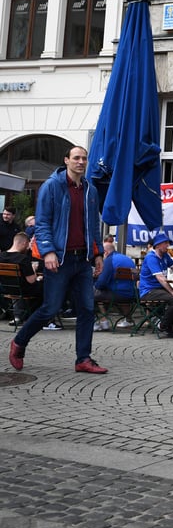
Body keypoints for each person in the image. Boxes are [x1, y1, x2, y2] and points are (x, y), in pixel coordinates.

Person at [9, 146, 107, 374]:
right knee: (50, 308)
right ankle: (19, 342)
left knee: (87, 309)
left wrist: (98, 253)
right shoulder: (51, 186)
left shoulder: (89, 190)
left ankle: (83, 359)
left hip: (82, 259)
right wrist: (48, 251)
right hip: (59, 259)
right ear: (67, 161)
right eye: (76, 158)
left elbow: (94, 226)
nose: (81, 162)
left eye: (84, 158)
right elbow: (42, 223)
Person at [138, 232, 173, 339]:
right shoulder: (151, 257)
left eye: (168, 243)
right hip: (148, 291)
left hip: (159, 289)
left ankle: (167, 324)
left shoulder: (165, 255)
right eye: (165, 243)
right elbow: (161, 278)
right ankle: (164, 325)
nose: (168, 245)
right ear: (157, 245)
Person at [93, 238, 136, 331]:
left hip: (116, 295)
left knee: (89, 293)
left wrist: (95, 282)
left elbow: (101, 284)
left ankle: (98, 322)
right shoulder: (128, 259)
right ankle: (128, 320)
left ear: (105, 252)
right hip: (131, 294)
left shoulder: (109, 260)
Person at [0, 232, 42, 325]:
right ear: (24, 243)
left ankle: (20, 316)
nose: (27, 248)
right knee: (46, 287)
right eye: (27, 245)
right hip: (24, 290)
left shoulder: (1, 256)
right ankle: (42, 319)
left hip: (6, 289)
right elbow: (31, 280)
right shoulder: (23, 259)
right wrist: (34, 270)